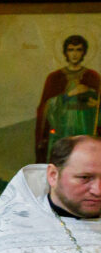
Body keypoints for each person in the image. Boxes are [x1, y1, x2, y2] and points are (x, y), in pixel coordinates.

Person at [34, 34, 100, 162]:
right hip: (61, 134)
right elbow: (46, 108)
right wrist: (69, 95)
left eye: (78, 50)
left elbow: (98, 112)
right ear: (65, 52)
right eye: (71, 50)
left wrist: (96, 104)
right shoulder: (54, 78)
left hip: (85, 133)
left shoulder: (92, 77)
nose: (74, 54)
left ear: (84, 52)